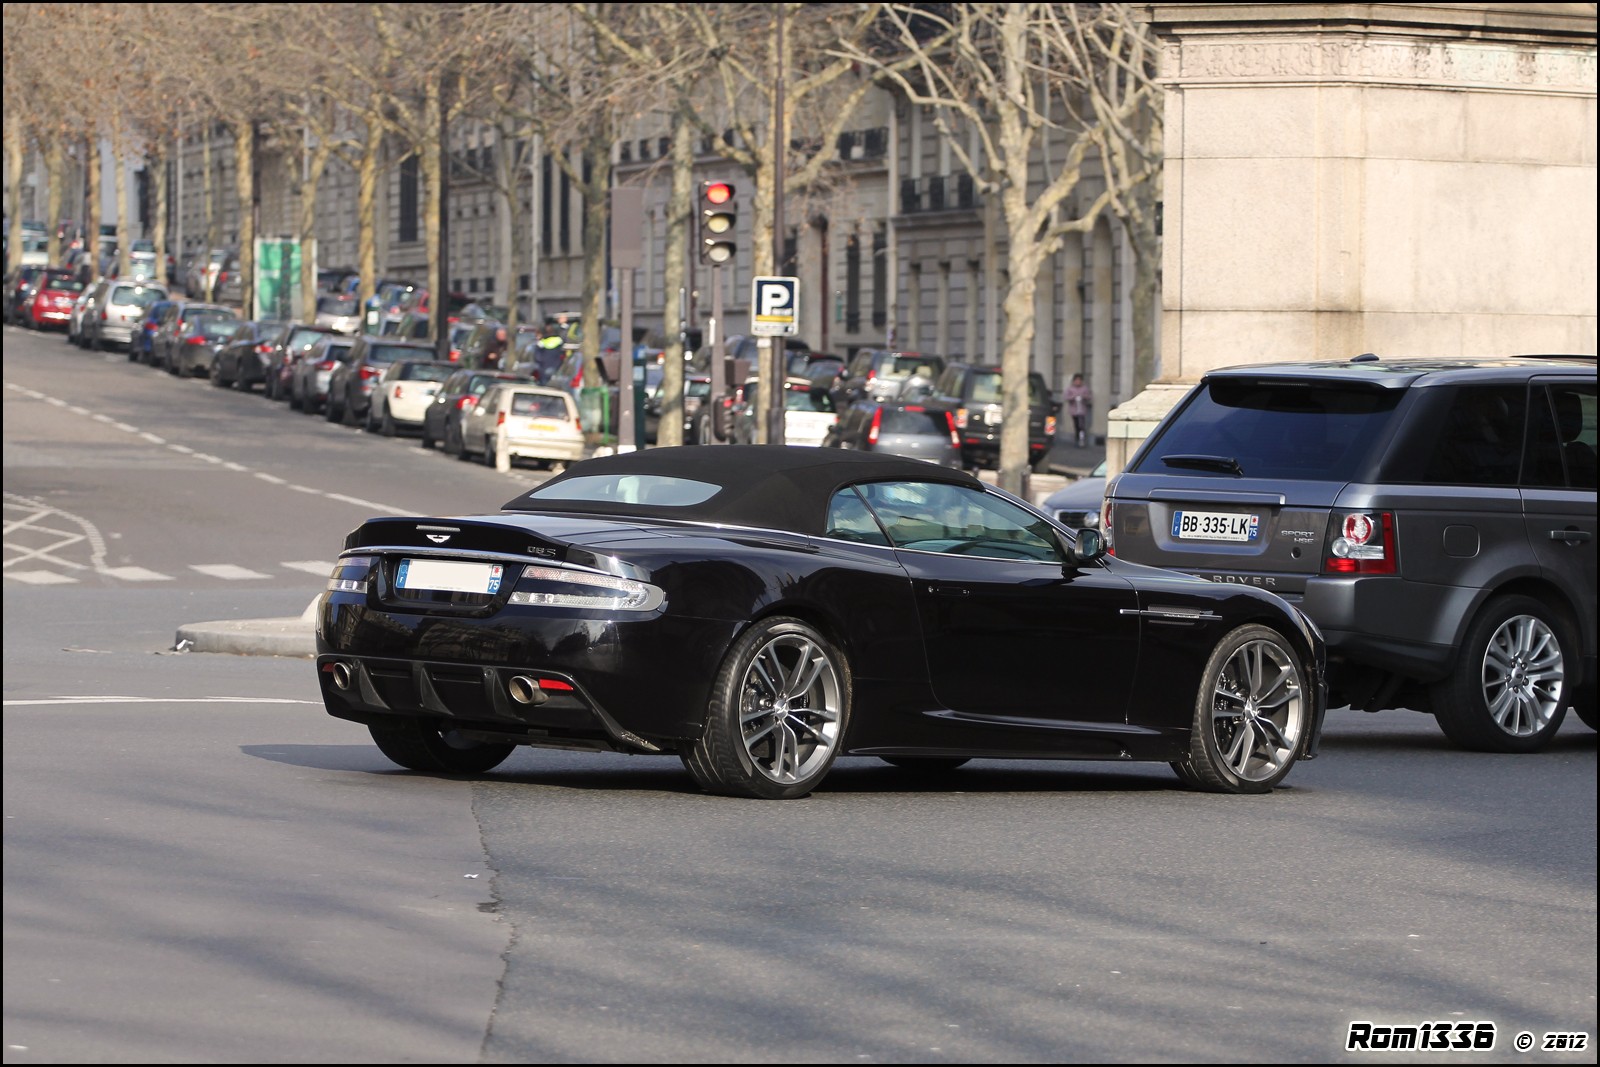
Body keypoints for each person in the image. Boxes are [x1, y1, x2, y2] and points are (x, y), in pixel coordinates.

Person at [1065, 372, 1092, 448]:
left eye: (1079, 380)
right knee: (1076, 425)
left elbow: (1089, 396)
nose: (1078, 382)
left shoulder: (1084, 388)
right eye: (1076, 380)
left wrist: (1083, 397)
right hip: (1074, 411)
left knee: (1082, 426)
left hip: (1082, 410)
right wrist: (1073, 397)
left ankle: (1082, 439)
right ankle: (1077, 439)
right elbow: (1066, 397)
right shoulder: (1070, 389)